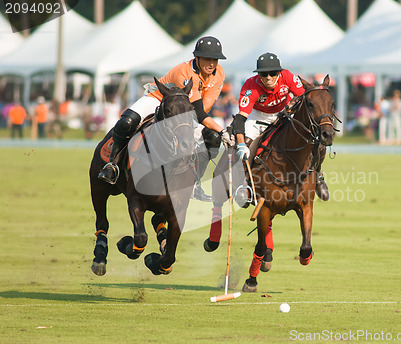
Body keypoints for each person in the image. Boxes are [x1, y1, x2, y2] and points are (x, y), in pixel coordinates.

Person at [205, 52, 330, 251]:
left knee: (315, 142)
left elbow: (303, 98)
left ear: (279, 72)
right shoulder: (251, 86)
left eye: (272, 73)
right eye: (264, 74)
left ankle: (319, 176)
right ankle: (245, 185)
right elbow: (240, 119)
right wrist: (240, 143)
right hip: (256, 118)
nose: (269, 78)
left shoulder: (288, 77)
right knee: (246, 150)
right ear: (259, 75)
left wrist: (290, 109)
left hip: (283, 116)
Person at [98, 36, 234, 202]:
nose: (211, 64)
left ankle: (195, 184)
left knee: (212, 138)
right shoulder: (185, 73)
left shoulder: (218, 73)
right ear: (196, 58)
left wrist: (212, 131)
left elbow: (204, 108)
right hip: (160, 98)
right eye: (207, 59)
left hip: (186, 110)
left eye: (215, 59)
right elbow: (200, 112)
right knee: (127, 121)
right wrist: (222, 129)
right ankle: (112, 165)